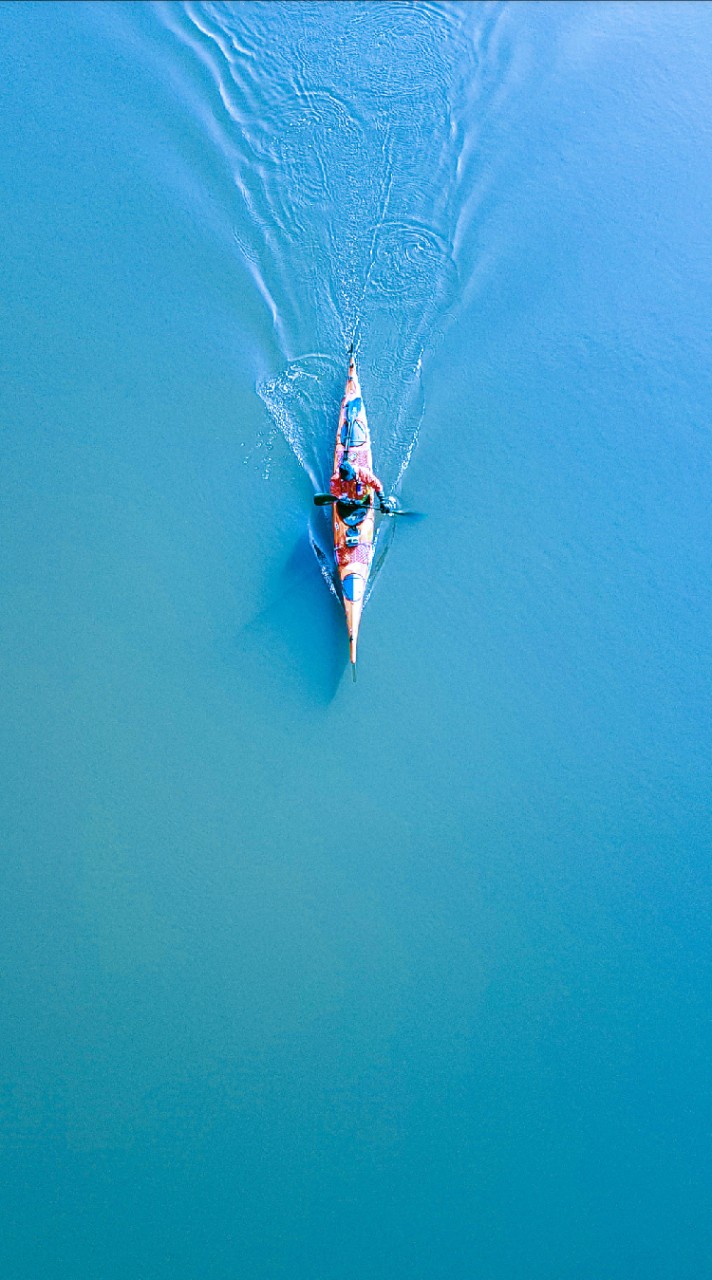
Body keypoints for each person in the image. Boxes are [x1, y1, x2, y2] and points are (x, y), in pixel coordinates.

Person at [330, 458, 394, 513]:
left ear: (352, 473)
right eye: (344, 479)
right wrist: (343, 500)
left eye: (348, 478)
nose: (347, 480)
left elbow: (377, 485)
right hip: (347, 501)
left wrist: (382, 500)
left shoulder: (363, 473)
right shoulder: (335, 478)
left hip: (363, 498)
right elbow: (334, 492)